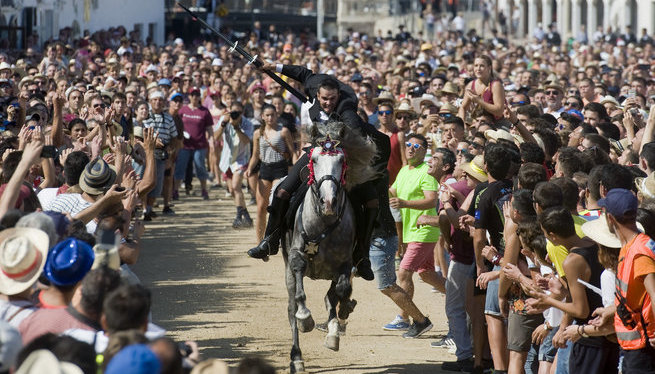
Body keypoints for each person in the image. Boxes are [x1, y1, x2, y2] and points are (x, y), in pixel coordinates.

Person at [247, 60, 382, 280]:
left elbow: (356, 132)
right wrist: (273, 67)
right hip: (315, 152)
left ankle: (362, 255)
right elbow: (301, 72)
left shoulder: (347, 107)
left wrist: (347, 141)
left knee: (371, 201)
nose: (328, 103)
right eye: (324, 99)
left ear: (339, 96)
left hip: (344, 154)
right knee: (281, 191)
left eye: (332, 99)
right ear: (316, 94)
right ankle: (270, 240)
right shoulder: (313, 83)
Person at [384, 133, 443, 333]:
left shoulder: (426, 171)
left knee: (404, 271)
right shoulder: (403, 170)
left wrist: (405, 203)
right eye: (408, 144)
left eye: (416, 146)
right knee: (427, 275)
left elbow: (431, 200)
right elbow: (392, 191)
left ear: (425, 151)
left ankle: (403, 317)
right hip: (412, 231)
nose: (411, 148)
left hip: (425, 230)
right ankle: (460, 299)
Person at [598, 189, 655, 372]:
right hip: (636, 344)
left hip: (644, 348)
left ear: (610, 219)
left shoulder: (639, 252)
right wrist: (611, 311)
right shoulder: (632, 245)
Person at [245, 104, 296, 242]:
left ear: (276, 115)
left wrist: (296, 169)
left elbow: (293, 152)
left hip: (280, 168)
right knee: (261, 207)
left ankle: (275, 237)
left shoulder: (283, 131)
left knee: (275, 204)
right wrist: (250, 168)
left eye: (272, 115)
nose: (270, 118)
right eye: (267, 115)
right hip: (265, 169)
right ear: (262, 116)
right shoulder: (258, 133)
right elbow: (255, 155)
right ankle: (259, 241)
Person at [216, 101, 254, 229]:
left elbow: (247, 140)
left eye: (237, 112)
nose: (235, 115)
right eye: (233, 112)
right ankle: (246, 215)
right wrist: (223, 124)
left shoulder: (248, 123)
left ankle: (238, 217)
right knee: (233, 190)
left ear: (242, 112)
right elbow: (215, 138)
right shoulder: (224, 119)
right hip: (227, 160)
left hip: (241, 159)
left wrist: (237, 127)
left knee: (236, 186)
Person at [174, 86, 214, 201]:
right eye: (193, 95)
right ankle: (175, 190)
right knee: (180, 167)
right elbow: (176, 123)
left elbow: (209, 128)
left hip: (200, 145)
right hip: (184, 145)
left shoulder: (204, 111)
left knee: (200, 167)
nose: (195, 97)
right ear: (190, 96)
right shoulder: (183, 110)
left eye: (197, 95)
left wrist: (211, 140)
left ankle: (204, 189)